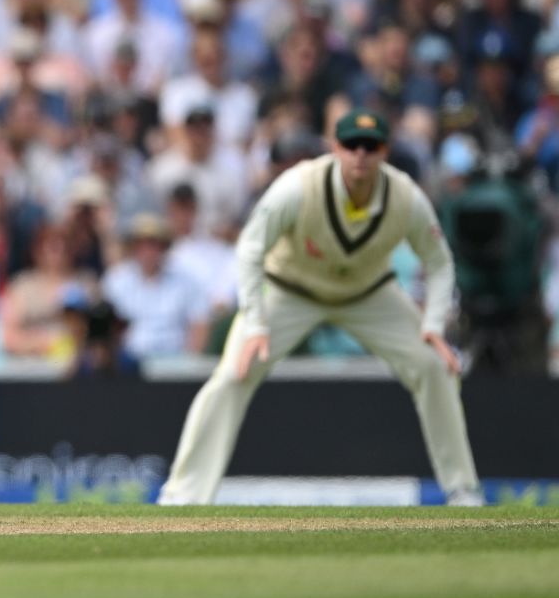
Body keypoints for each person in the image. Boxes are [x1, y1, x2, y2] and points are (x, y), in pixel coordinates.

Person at [158, 109, 483, 506]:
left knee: (433, 366)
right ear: (334, 148)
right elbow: (250, 249)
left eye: (370, 146)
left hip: (367, 293)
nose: (360, 155)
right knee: (232, 376)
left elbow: (439, 261)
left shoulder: (406, 197)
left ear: (384, 151)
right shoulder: (297, 187)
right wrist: (256, 323)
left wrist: (432, 324)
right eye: (351, 145)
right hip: (290, 290)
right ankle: (183, 497)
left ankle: (463, 490)